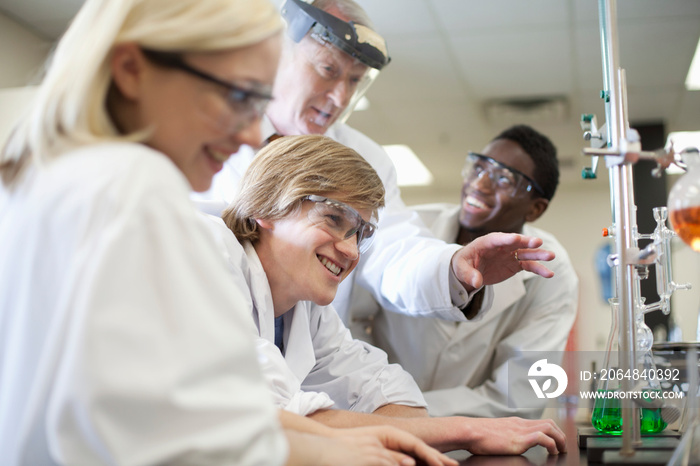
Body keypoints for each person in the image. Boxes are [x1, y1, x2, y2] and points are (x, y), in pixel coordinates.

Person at [0, 0, 453, 465]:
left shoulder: (60, 176)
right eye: (236, 97)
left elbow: (213, 405)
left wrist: (337, 442)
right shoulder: (133, 186)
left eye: (258, 103)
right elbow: (181, 426)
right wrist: (336, 450)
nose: (249, 135)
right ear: (133, 70)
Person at [194, 0, 558, 333]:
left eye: (355, 80)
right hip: (207, 333)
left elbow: (393, 251)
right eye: (327, 69)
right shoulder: (207, 134)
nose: (341, 96)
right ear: (278, 53)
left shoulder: (365, 158)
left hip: (313, 361)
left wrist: (452, 269)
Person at [214, 134, 568, 456]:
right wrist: (463, 430)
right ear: (267, 206)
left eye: (360, 232)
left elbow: (382, 386)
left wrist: (415, 434)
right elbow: (277, 415)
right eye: (334, 219)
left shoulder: (306, 312)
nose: (352, 252)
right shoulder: (210, 257)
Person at [371, 125, 579, 419]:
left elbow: (522, 394)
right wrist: (374, 400)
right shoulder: (413, 229)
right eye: (478, 167)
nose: (479, 184)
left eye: (504, 179)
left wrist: (411, 414)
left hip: (469, 447)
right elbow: (349, 315)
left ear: (535, 209)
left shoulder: (551, 272)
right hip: (370, 419)